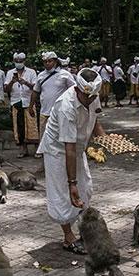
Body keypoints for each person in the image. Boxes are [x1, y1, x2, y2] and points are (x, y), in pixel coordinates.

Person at [37, 68, 106, 255]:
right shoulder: (65, 106)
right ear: (77, 90)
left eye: (94, 97)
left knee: (86, 188)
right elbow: (69, 149)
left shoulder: (92, 94)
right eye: (88, 97)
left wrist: (105, 140)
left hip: (77, 148)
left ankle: (84, 231)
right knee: (64, 193)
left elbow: (95, 118)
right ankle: (68, 237)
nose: (91, 100)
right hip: (58, 151)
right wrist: (72, 182)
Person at [29, 51, 76, 157]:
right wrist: (30, 106)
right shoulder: (41, 75)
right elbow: (35, 91)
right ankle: (44, 153)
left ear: (55, 62)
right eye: (45, 62)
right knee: (44, 133)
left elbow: (74, 90)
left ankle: (62, 152)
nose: (47, 64)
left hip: (61, 111)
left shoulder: (65, 75)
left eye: (49, 61)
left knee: (61, 133)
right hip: (44, 111)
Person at [5, 52, 38, 158]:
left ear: (24, 61)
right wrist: (12, 82)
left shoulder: (31, 72)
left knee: (32, 126)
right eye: (16, 61)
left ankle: (37, 149)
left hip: (29, 102)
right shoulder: (10, 73)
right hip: (16, 102)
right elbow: (6, 89)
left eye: (20, 61)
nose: (18, 63)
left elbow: (36, 87)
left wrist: (26, 83)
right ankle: (23, 149)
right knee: (19, 127)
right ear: (14, 61)